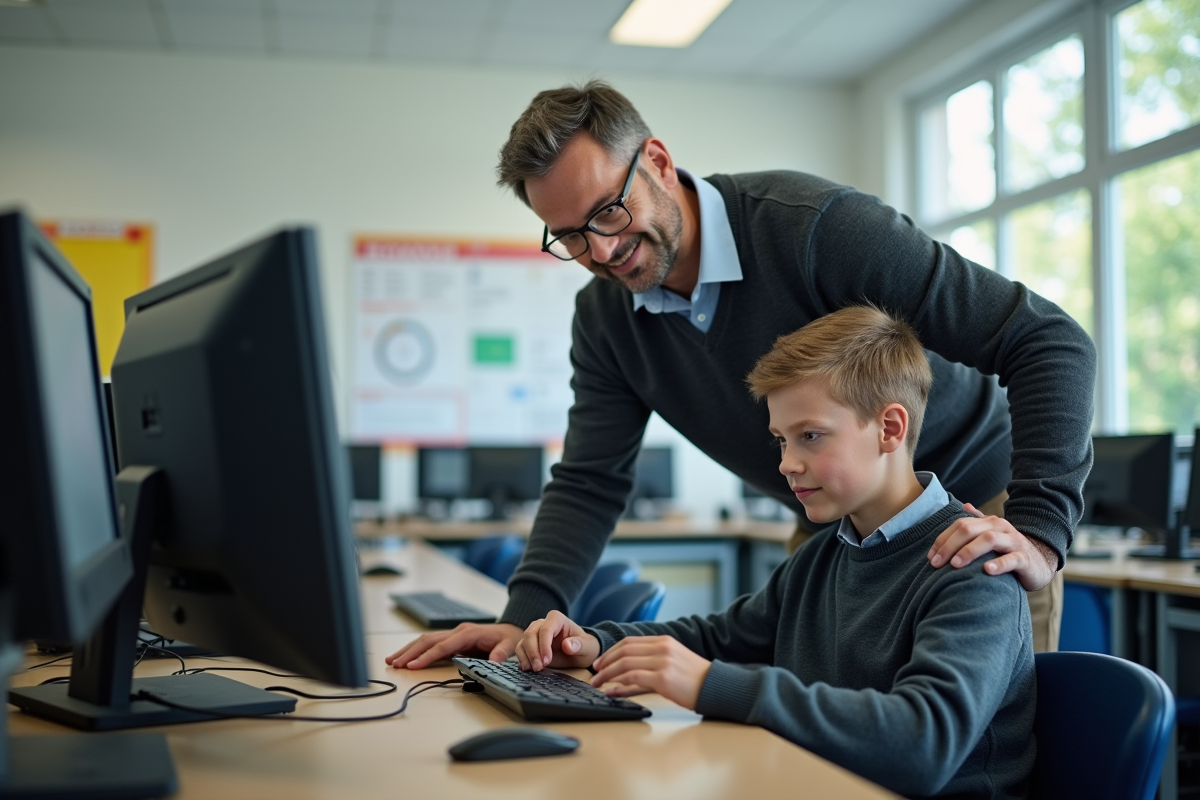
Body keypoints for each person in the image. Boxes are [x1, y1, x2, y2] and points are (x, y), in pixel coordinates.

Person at [385, 80, 1095, 671]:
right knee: (822, 746)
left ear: (658, 161)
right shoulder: (606, 319)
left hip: (978, 515)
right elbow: (589, 480)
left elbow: (1049, 341)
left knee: (972, 756)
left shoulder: (817, 229)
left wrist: (1036, 531)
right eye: (569, 236)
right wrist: (523, 623)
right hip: (835, 533)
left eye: (608, 211)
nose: (599, 250)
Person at [516, 306, 1036, 799]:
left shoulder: (974, 566)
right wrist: (593, 643)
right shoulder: (824, 556)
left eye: (810, 436)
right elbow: (719, 638)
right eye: (781, 441)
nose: (787, 464)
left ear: (890, 428)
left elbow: (923, 743)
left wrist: (712, 685)